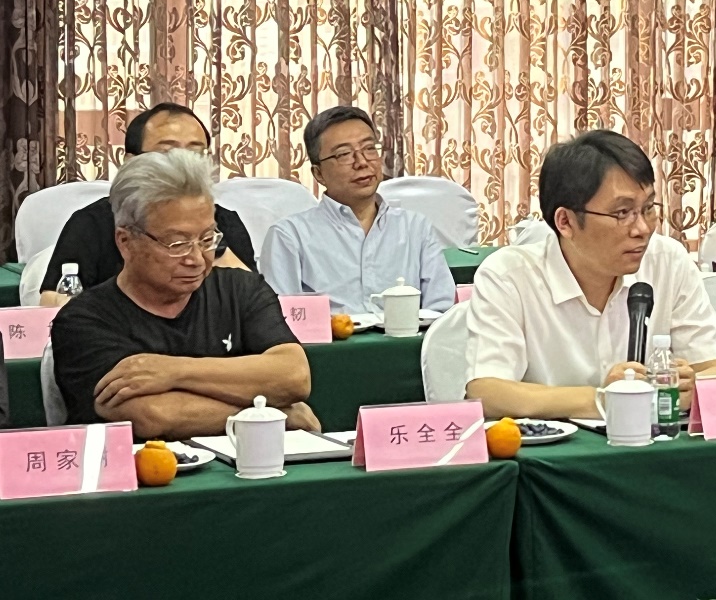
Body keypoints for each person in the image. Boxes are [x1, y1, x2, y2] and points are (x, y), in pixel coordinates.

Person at [50, 150, 317, 439]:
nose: (197, 259)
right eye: (177, 244)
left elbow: (294, 376)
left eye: (207, 239)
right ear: (126, 241)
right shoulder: (83, 320)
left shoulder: (241, 290)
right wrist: (275, 416)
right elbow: (155, 415)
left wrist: (172, 371)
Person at [466, 130, 716, 419]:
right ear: (565, 222)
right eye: (622, 213)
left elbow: (715, 368)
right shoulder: (509, 276)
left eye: (648, 209)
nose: (642, 229)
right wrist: (604, 399)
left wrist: (691, 386)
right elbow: (487, 391)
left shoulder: (668, 261)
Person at [40, 103, 255, 306]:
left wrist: (214, 246)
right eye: (167, 154)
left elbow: (253, 300)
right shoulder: (91, 223)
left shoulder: (223, 221)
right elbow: (52, 300)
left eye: (195, 154)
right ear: (130, 161)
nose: (182, 164)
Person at [261, 106, 455, 314]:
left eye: (369, 148)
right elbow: (278, 319)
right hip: (330, 337)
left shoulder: (415, 227)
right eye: (344, 154)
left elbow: (442, 310)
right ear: (319, 174)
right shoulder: (290, 236)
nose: (362, 162)